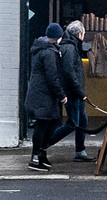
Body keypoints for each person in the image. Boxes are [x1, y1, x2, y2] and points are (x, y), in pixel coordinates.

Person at [24, 23, 68, 171]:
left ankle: (41, 155)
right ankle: (35, 158)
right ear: (57, 37)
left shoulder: (40, 49)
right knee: (43, 126)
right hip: (44, 96)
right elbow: (52, 77)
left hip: (40, 94)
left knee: (48, 125)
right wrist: (61, 95)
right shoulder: (49, 53)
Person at [52, 20, 92, 161]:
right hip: (72, 92)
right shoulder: (70, 48)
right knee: (73, 123)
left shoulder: (71, 46)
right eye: (83, 34)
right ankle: (44, 144)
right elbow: (69, 72)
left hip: (75, 91)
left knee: (82, 121)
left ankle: (80, 151)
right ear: (79, 34)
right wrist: (80, 92)